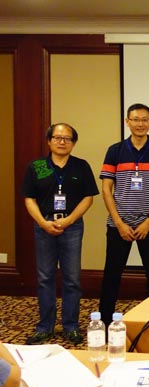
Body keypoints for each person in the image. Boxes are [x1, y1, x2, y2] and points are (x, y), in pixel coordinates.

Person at [99, 103, 149, 328]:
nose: (140, 124)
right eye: (135, 119)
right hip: (119, 224)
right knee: (111, 275)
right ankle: (104, 322)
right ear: (127, 122)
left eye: (144, 119)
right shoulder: (115, 151)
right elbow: (106, 189)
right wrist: (119, 222)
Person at [21, 123, 99, 345]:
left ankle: (70, 326)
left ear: (73, 143)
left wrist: (69, 220)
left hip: (71, 226)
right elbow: (29, 198)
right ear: (49, 141)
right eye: (57, 137)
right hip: (43, 226)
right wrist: (42, 223)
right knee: (45, 278)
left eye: (67, 138)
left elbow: (88, 198)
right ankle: (45, 327)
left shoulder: (81, 166)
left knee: (72, 279)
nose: (62, 142)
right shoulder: (37, 166)